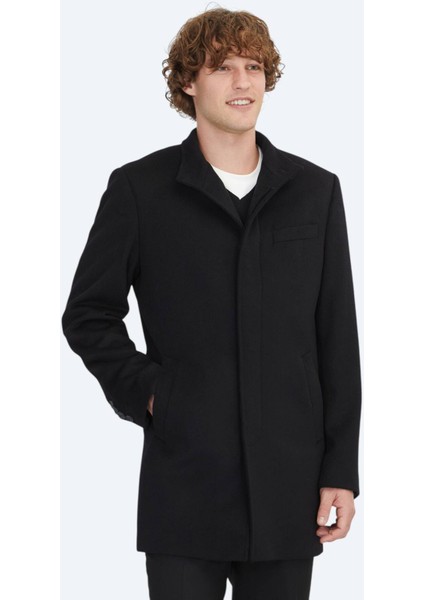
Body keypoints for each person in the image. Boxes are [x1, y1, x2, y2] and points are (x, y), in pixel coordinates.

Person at [62, 7, 362, 599]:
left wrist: (341, 470)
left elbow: (337, 337)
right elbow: (88, 313)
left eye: (254, 67)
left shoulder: (315, 191)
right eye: (222, 67)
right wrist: (152, 392)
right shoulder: (140, 190)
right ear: (188, 83)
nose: (242, 82)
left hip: (289, 485)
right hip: (185, 481)